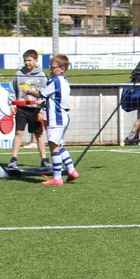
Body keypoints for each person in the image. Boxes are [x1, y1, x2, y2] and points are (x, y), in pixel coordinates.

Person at [33, 54, 79, 186]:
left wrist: (29, 91)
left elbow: (41, 94)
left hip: (57, 118)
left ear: (62, 68)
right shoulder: (64, 81)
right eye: (50, 67)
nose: (50, 70)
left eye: (53, 67)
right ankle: (71, 170)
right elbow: (55, 99)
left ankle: (57, 177)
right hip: (64, 116)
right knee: (59, 145)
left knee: (53, 146)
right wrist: (45, 104)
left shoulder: (55, 81)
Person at [7, 49, 49, 170]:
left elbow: (45, 94)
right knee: (18, 132)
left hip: (36, 109)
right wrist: (12, 105)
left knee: (39, 134)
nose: (27, 63)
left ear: (36, 60)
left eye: (29, 60)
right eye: (25, 60)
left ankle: (44, 159)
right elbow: (12, 91)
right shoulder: (19, 74)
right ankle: (14, 159)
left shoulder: (42, 75)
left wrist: (42, 111)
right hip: (22, 108)